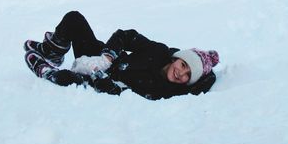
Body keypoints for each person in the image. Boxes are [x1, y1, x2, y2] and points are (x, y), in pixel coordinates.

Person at [24, 11, 219, 100]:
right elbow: (127, 36)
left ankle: (47, 72)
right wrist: (106, 57)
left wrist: (108, 84)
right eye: (184, 65)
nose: (181, 74)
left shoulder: (171, 92)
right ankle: (52, 52)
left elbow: (205, 82)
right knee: (74, 19)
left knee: (70, 80)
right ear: (177, 57)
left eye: (187, 76)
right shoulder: (159, 51)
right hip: (102, 59)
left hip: (106, 81)